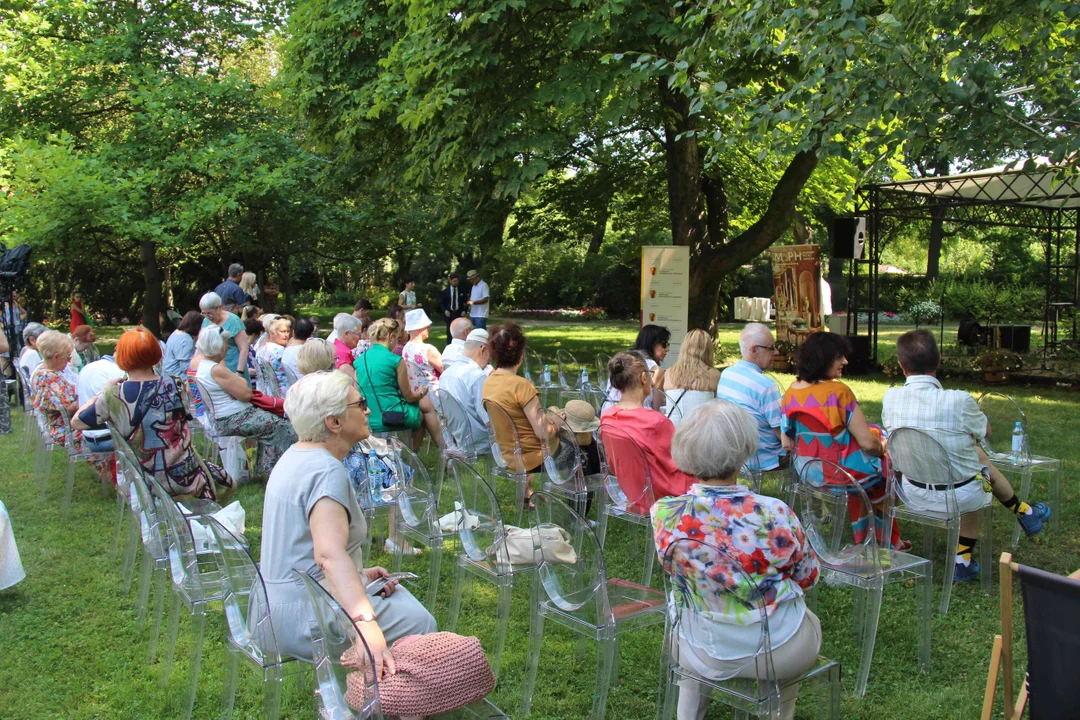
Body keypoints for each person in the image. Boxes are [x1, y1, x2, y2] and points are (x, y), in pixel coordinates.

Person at [651, 400, 821, 720]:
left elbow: (673, 568)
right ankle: (779, 712)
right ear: (744, 448)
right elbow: (809, 577)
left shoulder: (664, 514)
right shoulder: (776, 513)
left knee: (692, 609)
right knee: (806, 620)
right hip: (777, 650)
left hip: (696, 645)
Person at [258, 371, 436, 665]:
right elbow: (328, 555)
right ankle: (387, 703)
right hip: (304, 617)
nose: (367, 410)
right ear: (334, 422)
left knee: (399, 597)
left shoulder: (294, 456)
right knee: (422, 624)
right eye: (360, 403)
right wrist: (367, 629)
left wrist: (358, 574)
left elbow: (300, 549)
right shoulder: (326, 471)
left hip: (271, 607)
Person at [882, 330, 1051, 581]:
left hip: (912, 492)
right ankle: (964, 559)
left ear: (901, 366)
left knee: (977, 457)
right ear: (939, 360)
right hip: (959, 496)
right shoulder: (959, 400)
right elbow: (986, 431)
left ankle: (1025, 512)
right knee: (979, 473)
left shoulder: (890, 397)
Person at [74, 328, 232, 501]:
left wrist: (101, 392)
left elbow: (77, 422)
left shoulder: (113, 395)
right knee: (227, 483)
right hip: (187, 477)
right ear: (156, 354)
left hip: (142, 481)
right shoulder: (174, 384)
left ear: (121, 357)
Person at [781, 332, 904, 551]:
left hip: (810, 472)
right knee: (884, 470)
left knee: (866, 478)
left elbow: (786, 442)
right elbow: (867, 444)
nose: (845, 362)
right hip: (843, 474)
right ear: (824, 359)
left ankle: (866, 537)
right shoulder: (838, 392)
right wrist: (885, 446)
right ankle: (886, 541)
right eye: (840, 357)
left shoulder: (791, 392)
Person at [193, 326, 297, 478]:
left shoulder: (204, 365)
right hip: (231, 418)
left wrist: (240, 384)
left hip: (229, 415)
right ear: (217, 346)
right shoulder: (216, 369)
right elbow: (246, 394)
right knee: (284, 426)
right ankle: (282, 473)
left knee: (271, 423)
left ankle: (270, 470)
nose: (227, 347)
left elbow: (242, 388)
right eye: (225, 343)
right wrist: (240, 383)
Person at [601, 351, 694, 506]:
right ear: (644, 378)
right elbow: (682, 462)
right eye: (650, 374)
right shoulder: (655, 422)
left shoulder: (607, 417)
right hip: (663, 495)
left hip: (632, 492)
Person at [29, 331, 110, 478]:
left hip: (74, 421)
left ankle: (114, 472)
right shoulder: (47, 378)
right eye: (67, 356)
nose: (69, 360)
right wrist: (95, 396)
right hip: (66, 427)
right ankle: (112, 473)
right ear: (56, 357)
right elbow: (70, 409)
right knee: (115, 430)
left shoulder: (54, 371)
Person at [482, 323, 550, 498]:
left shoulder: (489, 382)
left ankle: (527, 492)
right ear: (520, 355)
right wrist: (558, 423)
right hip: (532, 456)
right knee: (584, 451)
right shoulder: (522, 386)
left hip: (505, 452)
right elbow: (543, 432)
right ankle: (577, 517)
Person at [354, 318, 442, 450]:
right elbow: (409, 397)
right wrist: (422, 392)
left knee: (421, 406)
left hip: (368, 415)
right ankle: (421, 454)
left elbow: (357, 391)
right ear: (391, 337)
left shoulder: (359, 361)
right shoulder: (396, 360)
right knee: (423, 409)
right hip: (392, 416)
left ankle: (428, 453)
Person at [714, 323, 786, 472]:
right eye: (771, 348)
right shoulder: (767, 386)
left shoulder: (727, 374)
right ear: (754, 350)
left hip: (736, 456)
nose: (776, 352)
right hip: (765, 459)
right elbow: (783, 436)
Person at [439, 328, 491, 455]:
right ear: (483, 349)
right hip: (480, 443)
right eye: (491, 354)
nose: (490, 361)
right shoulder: (477, 376)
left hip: (458, 440)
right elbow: (489, 420)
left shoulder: (445, 374)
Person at [603, 324, 670, 411]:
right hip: (637, 417)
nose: (667, 349)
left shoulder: (621, 361)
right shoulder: (656, 370)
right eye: (664, 344)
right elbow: (656, 408)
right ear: (653, 344)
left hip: (608, 411)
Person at [662, 329, 721, 427]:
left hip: (674, 432)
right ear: (708, 350)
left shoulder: (668, 373)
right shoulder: (714, 375)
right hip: (701, 432)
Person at [74, 354, 126, 453]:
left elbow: (77, 403)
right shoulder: (120, 372)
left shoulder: (86, 368)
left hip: (87, 436)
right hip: (112, 439)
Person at [200, 292, 250, 380]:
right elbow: (201, 347)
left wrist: (239, 373)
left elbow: (244, 349)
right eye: (204, 313)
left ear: (219, 307)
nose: (208, 316)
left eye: (210, 313)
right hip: (213, 370)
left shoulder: (234, 321)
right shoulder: (206, 321)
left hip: (233, 369)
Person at [402, 309, 443, 394]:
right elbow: (446, 371)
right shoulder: (428, 349)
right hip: (433, 393)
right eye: (428, 327)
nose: (429, 329)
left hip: (415, 392)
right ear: (420, 328)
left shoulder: (405, 348)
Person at [256, 315, 292, 395]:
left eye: (288, 331)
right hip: (282, 392)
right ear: (273, 333)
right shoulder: (279, 351)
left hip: (264, 391)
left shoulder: (261, 349)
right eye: (282, 331)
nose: (286, 335)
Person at [163, 310, 203, 377]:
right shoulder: (185, 340)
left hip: (168, 376)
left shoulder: (176, 333)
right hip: (178, 379)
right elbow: (186, 367)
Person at [332, 313, 362, 382]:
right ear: (347, 334)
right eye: (358, 334)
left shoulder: (335, 347)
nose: (360, 338)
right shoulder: (343, 354)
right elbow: (351, 383)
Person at [440, 273, 466, 338]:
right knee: (449, 332)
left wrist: (464, 310)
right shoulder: (445, 291)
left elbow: (466, 302)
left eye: (457, 281)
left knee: (459, 331)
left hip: (459, 313)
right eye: (454, 281)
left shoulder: (461, 291)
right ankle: (449, 345)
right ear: (450, 281)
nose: (456, 282)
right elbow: (441, 302)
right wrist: (445, 310)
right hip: (449, 313)